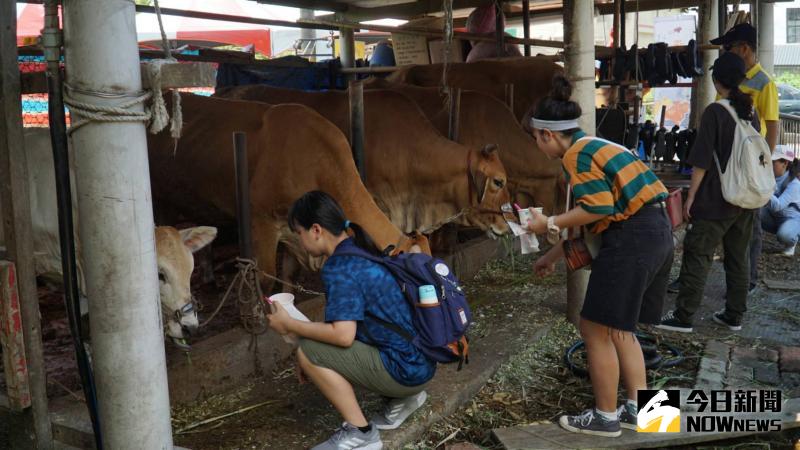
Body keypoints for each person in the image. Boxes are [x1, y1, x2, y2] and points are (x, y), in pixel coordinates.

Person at [526, 76, 674, 437]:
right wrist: (553, 255)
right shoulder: (596, 146)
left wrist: (549, 222)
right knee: (622, 329)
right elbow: (593, 218)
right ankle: (647, 413)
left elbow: (598, 207)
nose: (537, 146)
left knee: (594, 328)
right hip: (657, 231)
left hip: (633, 239)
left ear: (547, 135)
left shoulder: (576, 156)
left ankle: (605, 417)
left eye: (535, 139)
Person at [268, 191, 434, 450]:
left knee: (308, 352)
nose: (298, 240)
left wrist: (290, 326)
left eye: (298, 233)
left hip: (405, 371)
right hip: (421, 362)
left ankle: (362, 435)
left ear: (315, 230)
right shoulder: (360, 248)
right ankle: (407, 398)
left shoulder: (339, 266)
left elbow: (343, 335)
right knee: (318, 346)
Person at [669, 23, 779, 295]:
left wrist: (763, 168)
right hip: (722, 168)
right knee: (735, 241)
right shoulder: (730, 85)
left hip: (746, 170)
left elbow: (773, 127)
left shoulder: (764, 83)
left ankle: (739, 286)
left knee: (725, 239)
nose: (723, 53)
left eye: (727, 48)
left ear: (743, 48)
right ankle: (734, 303)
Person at [657, 52, 759, 334]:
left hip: (716, 199)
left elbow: (701, 160)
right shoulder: (751, 111)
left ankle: (684, 316)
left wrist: (691, 198)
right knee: (739, 257)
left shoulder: (715, 112)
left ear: (716, 81)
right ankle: (734, 315)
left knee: (698, 254)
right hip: (746, 198)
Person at [761, 145, 800, 256]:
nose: (769, 165)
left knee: (784, 235)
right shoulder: (770, 177)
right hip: (775, 217)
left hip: (792, 219)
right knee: (753, 212)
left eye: (773, 162)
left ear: (785, 163)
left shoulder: (794, 184)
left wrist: (764, 188)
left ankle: (791, 242)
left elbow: (777, 205)